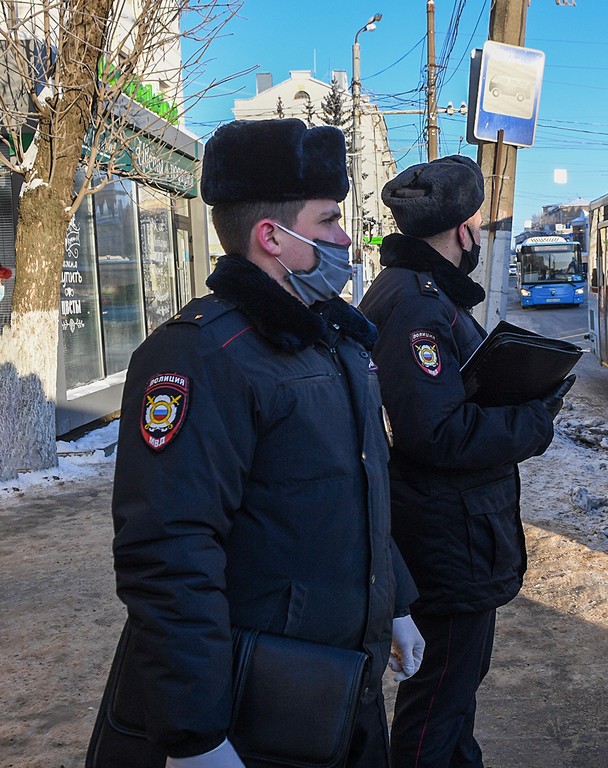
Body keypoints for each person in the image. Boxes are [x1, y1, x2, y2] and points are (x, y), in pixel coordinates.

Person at [91, 119, 423, 768]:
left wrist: (397, 604)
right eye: (328, 221)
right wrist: (197, 737)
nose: (345, 238)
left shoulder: (335, 343)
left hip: (340, 689)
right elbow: (169, 551)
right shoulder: (200, 354)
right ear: (272, 237)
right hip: (255, 708)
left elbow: (355, 493)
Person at [358, 155, 572, 768]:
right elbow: (437, 433)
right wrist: (532, 419)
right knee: (439, 699)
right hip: (445, 541)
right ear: (464, 230)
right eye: (476, 223)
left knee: (454, 697)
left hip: (451, 533)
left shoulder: (417, 294)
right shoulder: (418, 305)